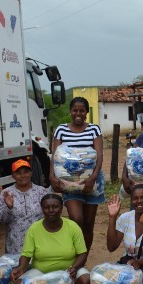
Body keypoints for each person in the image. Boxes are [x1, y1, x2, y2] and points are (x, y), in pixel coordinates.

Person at [49, 97, 104, 251]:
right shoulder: (61, 130)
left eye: (82, 110)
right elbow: (55, 156)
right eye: (75, 110)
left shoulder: (94, 129)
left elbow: (99, 155)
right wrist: (51, 176)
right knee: (76, 218)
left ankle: (83, 257)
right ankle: (73, 251)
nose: (78, 113)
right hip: (69, 183)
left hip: (91, 183)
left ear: (86, 112)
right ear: (70, 111)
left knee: (88, 222)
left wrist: (92, 178)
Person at [10, 194, 91, 284]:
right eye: (46, 207)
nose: (51, 210)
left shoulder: (72, 227)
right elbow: (26, 255)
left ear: (61, 209)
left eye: (55, 207)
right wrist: (21, 267)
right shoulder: (34, 229)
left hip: (68, 272)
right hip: (41, 273)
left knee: (86, 281)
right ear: (42, 209)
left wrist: (74, 268)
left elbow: (82, 253)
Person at [106, 185, 143, 275]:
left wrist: (140, 262)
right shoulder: (125, 218)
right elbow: (111, 247)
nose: (139, 201)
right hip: (128, 262)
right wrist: (112, 217)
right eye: (135, 198)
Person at [0, 159, 48, 255]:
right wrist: (9, 207)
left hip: (39, 241)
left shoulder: (41, 191)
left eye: (26, 172)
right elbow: (2, 220)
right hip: (15, 245)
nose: (23, 176)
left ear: (31, 173)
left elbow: (49, 215)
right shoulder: (6, 193)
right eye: (18, 173)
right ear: (13, 176)